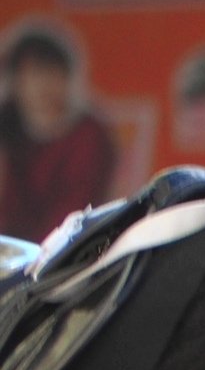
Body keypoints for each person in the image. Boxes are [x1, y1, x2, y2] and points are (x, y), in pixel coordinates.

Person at [0, 28, 117, 245]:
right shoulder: (7, 128)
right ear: (16, 81)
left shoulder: (88, 135)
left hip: (68, 252)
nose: (42, 85)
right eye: (33, 74)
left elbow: (78, 208)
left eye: (51, 73)